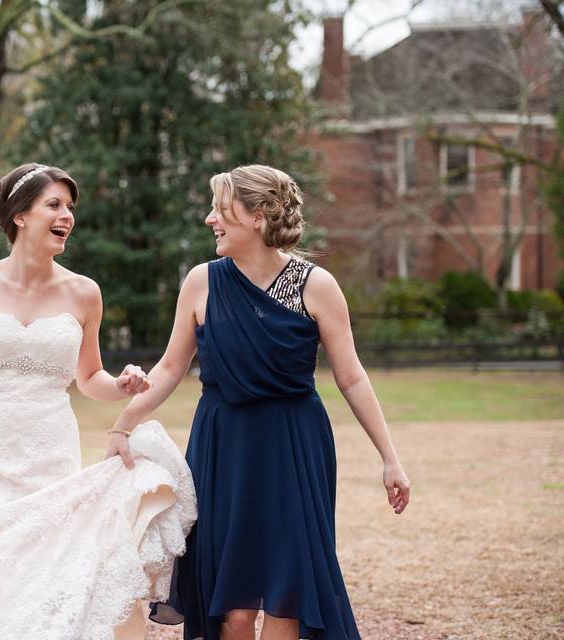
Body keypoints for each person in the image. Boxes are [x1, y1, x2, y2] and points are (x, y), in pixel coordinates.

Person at [0, 163, 197, 639]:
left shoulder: (84, 293)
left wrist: (123, 384)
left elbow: (88, 378)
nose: (67, 214)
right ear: (19, 216)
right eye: (54, 205)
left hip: (50, 451)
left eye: (70, 207)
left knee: (44, 574)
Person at [105, 165, 411, 640]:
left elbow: (351, 377)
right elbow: (169, 369)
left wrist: (390, 459)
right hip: (222, 445)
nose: (209, 219)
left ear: (258, 214)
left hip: (294, 447)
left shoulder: (316, 285)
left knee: (288, 593)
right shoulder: (201, 282)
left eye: (219, 208)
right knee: (233, 604)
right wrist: (122, 426)